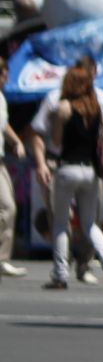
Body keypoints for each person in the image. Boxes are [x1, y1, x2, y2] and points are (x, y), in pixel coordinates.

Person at [27, 55, 103, 286]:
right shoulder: (98, 108)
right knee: (90, 222)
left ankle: (61, 273)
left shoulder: (63, 107)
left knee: (61, 223)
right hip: (91, 170)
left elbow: (56, 140)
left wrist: (61, 122)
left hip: (66, 168)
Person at [0, 53, 23, 278]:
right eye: (2, 73)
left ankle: (2, 258)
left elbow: (4, 125)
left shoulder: (2, 98)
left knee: (8, 207)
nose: (6, 77)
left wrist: (15, 141)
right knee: (6, 207)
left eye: (6, 73)